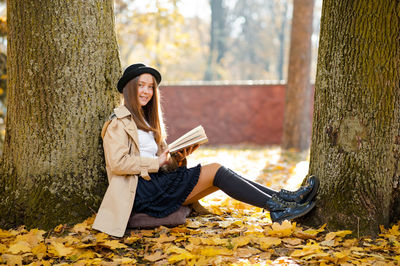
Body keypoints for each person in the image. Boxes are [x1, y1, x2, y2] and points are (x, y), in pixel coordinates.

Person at [92, 63, 319, 237]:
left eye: (150, 87)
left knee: (219, 174)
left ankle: (285, 200)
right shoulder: (118, 122)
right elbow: (117, 163)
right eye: (141, 85)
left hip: (157, 184)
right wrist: (157, 163)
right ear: (130, 89)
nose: (146, 91)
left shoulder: (148, 121)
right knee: (216, 171)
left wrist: (177, 159)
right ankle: (278, 208)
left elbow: (160, 163)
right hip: (140, 191)